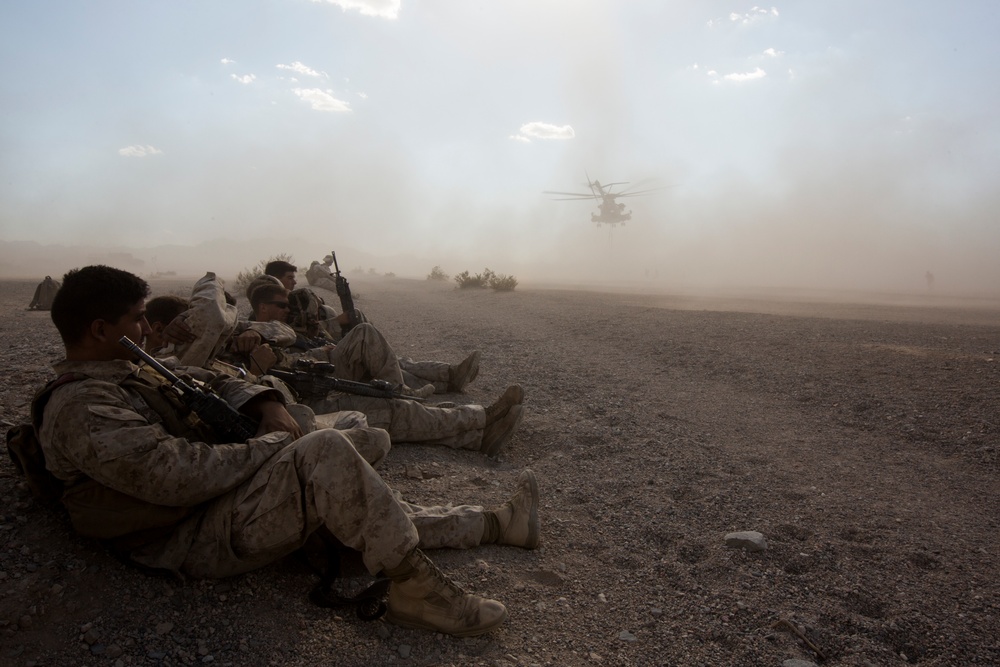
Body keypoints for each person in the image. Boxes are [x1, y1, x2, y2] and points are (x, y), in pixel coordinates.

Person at [37, 265, 541, 637]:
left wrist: (266, 401)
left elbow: (212, 378)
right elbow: (179, 476)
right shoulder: (83, 405)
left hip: (215, 498)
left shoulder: (130, 371)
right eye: (138, 319)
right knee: (324, 455)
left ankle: (491, 523)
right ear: (100, 329)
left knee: (347, 479)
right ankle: (415, 588)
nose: (150, 331)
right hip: (188, 535)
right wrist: (274, 444)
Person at [232, 283, 526, 456]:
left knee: (367, 339)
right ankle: (480, 422)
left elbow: (288, 337)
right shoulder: (235, 338)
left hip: (307, 382)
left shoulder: (263, 330)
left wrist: (267, 338)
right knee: (387, 409)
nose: (287, 310)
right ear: (263, 307)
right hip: (298, 405)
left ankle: (474, 431)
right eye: (280, 306)